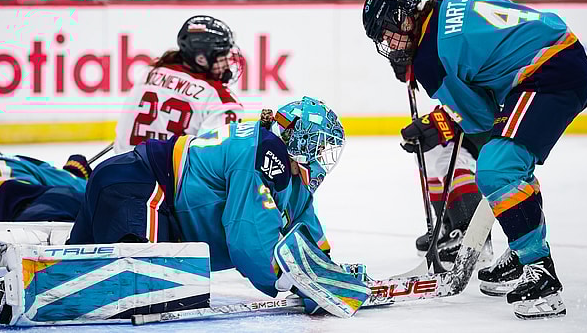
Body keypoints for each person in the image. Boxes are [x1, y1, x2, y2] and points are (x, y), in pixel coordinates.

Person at [361, 0, 587, 319]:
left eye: (387, 33)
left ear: (403, 17)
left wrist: (443, 115)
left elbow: (481, 117)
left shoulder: (432, 63)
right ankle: (525, 254)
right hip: (562, 54)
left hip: (547, 73)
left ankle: (540, 274)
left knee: (496, 167)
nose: (388, 43)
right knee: (508, 164)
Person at [70, 96, 369, 316]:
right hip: (138, 189)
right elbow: (247, 239)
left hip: (132, 186)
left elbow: (303, 225)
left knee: (76, 274)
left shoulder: (286, 172)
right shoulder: (266, 152)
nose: (321, 158)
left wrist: (327, 268)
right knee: (144, 296)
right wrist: (295, 285)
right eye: (318, 146)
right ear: (298, 141)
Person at [413, 0, 488, 262]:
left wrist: (445, 121)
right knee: (433, 147)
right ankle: (452, 223)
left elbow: (481, 88)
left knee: (463, 159)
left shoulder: (483, 7)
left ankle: (473, 234)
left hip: (495, 109)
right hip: (472, 105)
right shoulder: (441, 10)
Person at [113, 15, 244, 155]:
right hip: (168, 176)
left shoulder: (149, 73)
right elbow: (213, 160)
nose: (226, 63)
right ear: (201, 59)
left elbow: (122, 135)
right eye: (222, 57)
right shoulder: (221, 100)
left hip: (121, 169)